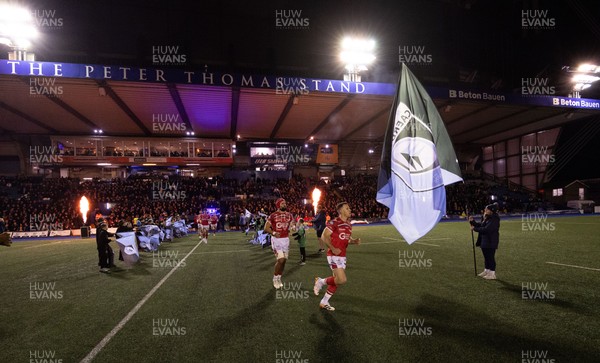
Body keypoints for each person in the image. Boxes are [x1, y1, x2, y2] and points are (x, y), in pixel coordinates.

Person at [313, 202, 361, 311]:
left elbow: (346, 238)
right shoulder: (334, 222)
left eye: (349, 208)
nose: (350, 210)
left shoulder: (349, 224)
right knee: (342, 279)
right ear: (341, 211)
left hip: (342, 256)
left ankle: (324, 302)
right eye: (347, 208)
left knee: (337, 280)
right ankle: (321, 281)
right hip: (333, 255)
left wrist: (354, 241)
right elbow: (324, 236)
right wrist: (333, 248)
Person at [263, 198, 294, 289]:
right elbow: (266, 228)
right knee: (280, 260)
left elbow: (292, 224)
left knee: (284, 261)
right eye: (282, 203)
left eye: (285, 203)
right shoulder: (273, 215)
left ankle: (279, 277)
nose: (284, 204)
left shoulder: (289, 215)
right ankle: (275, 278)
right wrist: (273, 233)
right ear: (278, 205)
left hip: (286, 240)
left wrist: (293, 227)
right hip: (277, 240)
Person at [469, 203, 500, 280]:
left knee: (490, 257)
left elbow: (487, 229)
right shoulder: (486, 217)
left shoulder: (494, 218)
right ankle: (486, 271)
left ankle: (492, 273)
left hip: (491, 240)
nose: (485, 210)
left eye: (487, 209)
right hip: (484, 240)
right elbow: (481, 225)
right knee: (486, 257)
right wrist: (473, 222)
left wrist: (474, 229)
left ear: (491, 211)